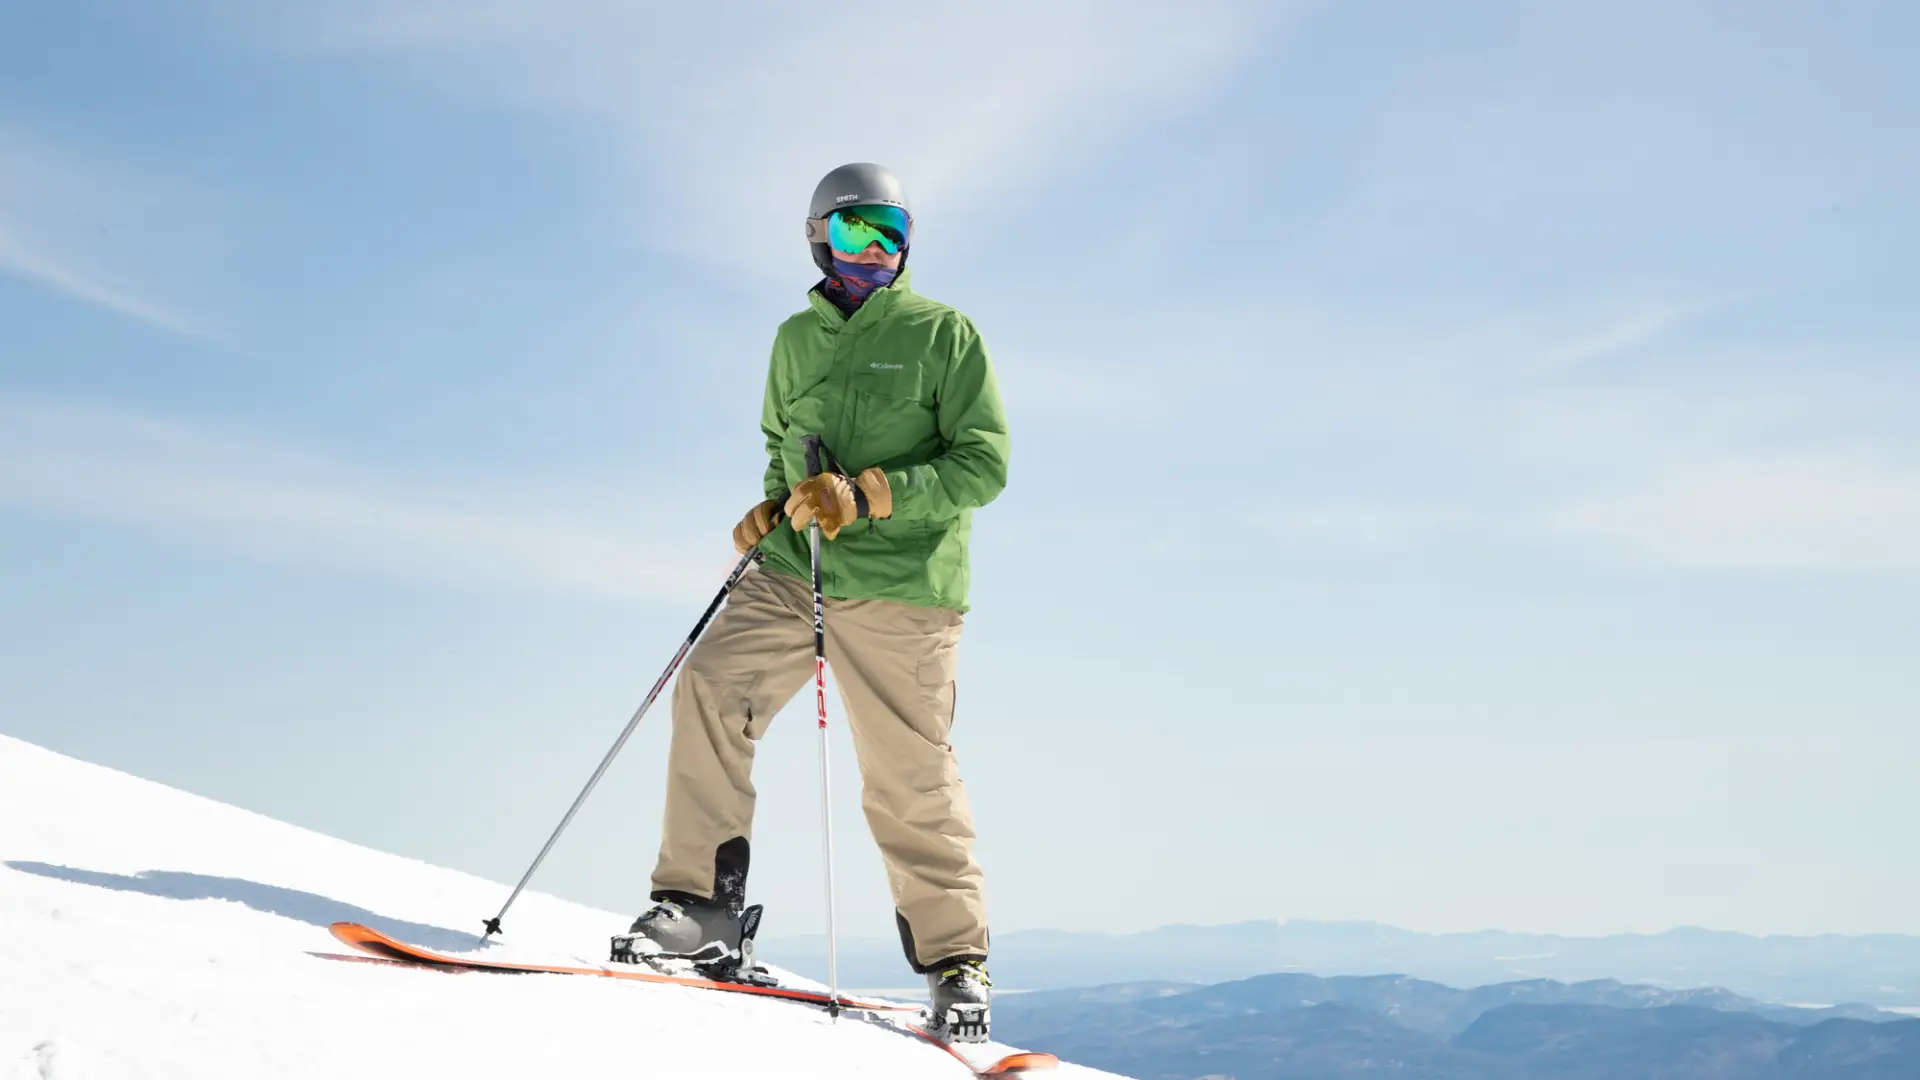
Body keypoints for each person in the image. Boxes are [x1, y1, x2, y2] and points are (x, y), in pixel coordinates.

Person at [620, 162, 1010, 1042]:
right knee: (710, 687)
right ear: (817, 241)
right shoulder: (794, 338)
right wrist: (770, 508)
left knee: (908, 774)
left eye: (891, 234)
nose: (874, 252)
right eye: (853, 233)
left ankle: (957, 962)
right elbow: (778, 444)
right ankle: (700, 912)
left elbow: (983, 463)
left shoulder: (945, 335)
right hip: (795, 571)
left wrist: (872, 493)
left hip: (903, 586)